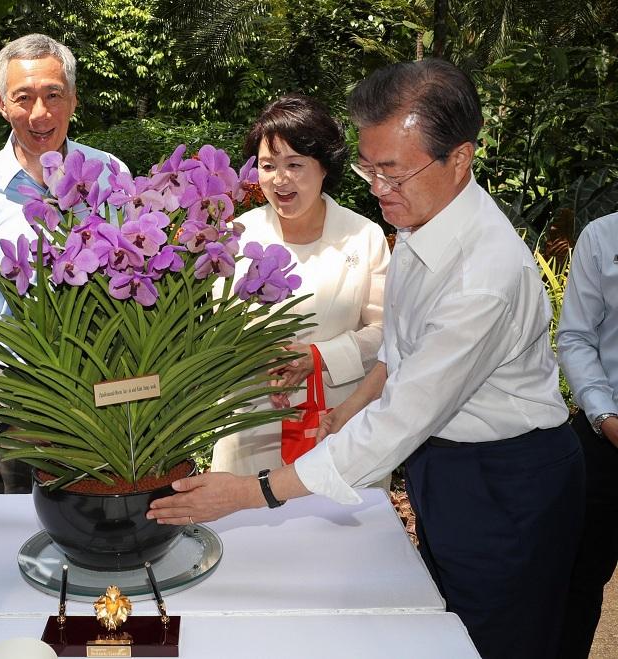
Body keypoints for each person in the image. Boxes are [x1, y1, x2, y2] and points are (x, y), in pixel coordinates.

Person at [148, 59, 584, 659]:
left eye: (394, 172)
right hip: (447, 467)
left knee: (490, 639)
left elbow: (405, 415)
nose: (379, 189)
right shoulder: (420, 220)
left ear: (459, 158)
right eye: (369, 167)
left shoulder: (483, 276)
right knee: (439, 618)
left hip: (503, 482)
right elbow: (400, 345)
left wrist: (252, 494)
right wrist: (352, 404)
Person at [0, 33, 126, 493]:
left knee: (112, 509)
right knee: (27, 519)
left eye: (53, 95)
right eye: (24, 98)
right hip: (17, 386)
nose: (39, 114)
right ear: (2, 104)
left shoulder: (111, 175)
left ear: (74, 100)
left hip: (106, 377)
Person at [209, 94, 388, 477]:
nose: (280, 179)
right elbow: (216, 328)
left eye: (295, 164)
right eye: (268, 165)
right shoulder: (237, 236)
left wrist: (319, 357)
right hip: (252, 418)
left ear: (325, 167)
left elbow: (389, 333)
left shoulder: (363, 236)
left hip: (339, 418)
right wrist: (260, 357)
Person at [557, 211, 618, 658]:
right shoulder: (603, 235)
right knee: (578, 580)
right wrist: (605, 417)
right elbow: (577, 337)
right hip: (606, 437)